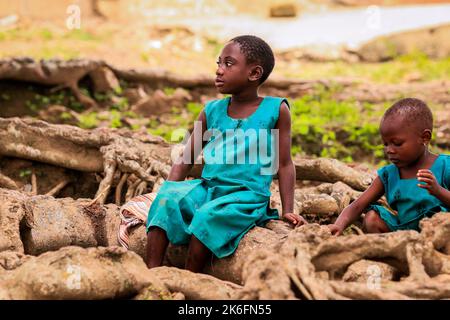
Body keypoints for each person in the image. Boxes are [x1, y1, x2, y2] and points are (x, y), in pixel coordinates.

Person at [146, 35, 307, 272]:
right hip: (208, 188)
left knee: (207, 217)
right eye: (218, 63)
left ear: (254, 74)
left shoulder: (276, 110)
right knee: (167, 200)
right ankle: (152, 273)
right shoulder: (211, 110)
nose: (219, 71)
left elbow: (284, 164)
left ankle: (190, 278)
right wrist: (169, 189)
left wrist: (288, 210)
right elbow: (187, 158)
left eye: (228, 64)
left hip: (246, 197)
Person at [328, 98, 450, 236]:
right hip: (402, 234)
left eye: (397, 143)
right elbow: (357, 205)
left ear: (425, 138)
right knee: (372, 217)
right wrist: (338, 225)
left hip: (441, 231)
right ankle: (388, 253)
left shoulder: (445, 166)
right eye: (385, 144)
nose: (389, 150)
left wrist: (438, 191)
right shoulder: (388, 175)